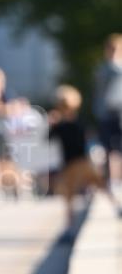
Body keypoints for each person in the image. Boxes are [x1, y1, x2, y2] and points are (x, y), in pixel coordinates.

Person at [48, 84, 111, 241]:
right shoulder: (79, 122)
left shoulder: (60, 125)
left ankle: (69, 229)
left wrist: (52, 124)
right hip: (83, 161)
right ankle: (116, 205)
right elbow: (87, 139)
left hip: (70, 164)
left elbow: (49, 139)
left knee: (69, 198)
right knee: (100, 184)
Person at [94, 34, 122, 197]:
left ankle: (118, 179)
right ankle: (112, 180)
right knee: (108, 149)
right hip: (106, 113)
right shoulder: (104, 68)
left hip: (119, 112)